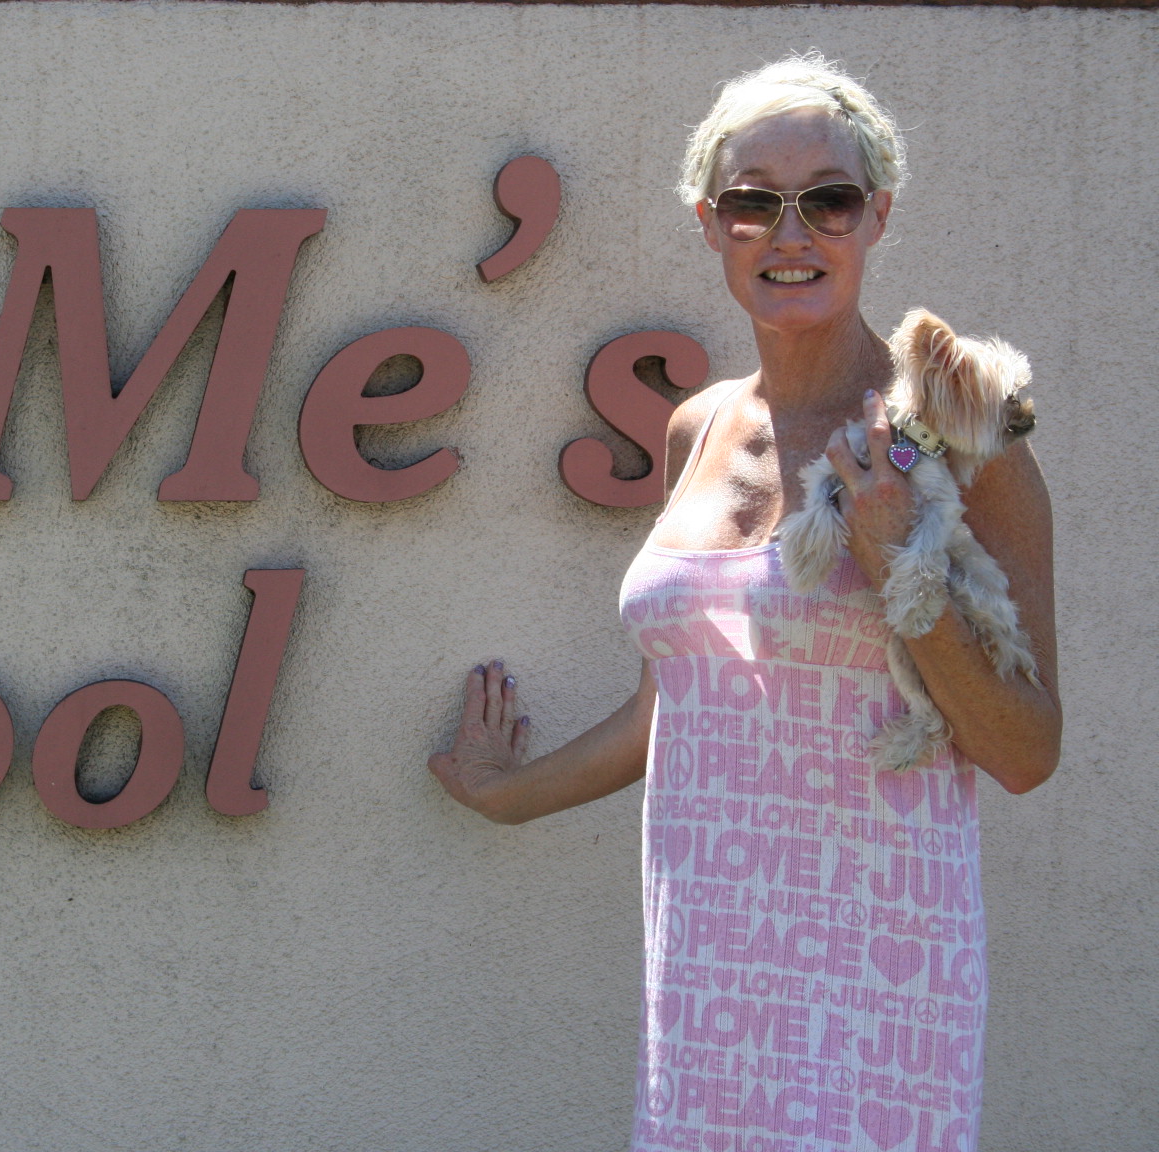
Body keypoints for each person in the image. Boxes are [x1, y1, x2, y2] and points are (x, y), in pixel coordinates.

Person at [426, 56, 1059, 1152]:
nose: (790, 233)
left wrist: (895, 560)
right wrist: (507, 794)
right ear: (711, 224)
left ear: (878, 216)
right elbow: (676, 705)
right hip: (707, 998)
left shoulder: (951, 437)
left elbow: (1025, 751)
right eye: (754, 203)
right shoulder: (699, 428)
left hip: (880, 1003)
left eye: (830, 200)